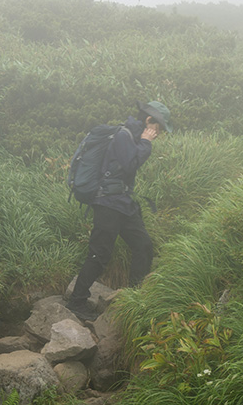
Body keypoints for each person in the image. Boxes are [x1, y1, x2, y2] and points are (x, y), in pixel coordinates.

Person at [66, 100, 172, 321]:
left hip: (123, 203)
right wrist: (146, 142)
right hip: (107, 204)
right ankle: (76, 302)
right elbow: (131, 164)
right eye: (159, 127)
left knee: (143, 245)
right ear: (149, 121)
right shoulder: (124, 135)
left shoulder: (129, 136)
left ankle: (135, 298)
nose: (159, 133)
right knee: (100, 254)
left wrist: (142, 141)